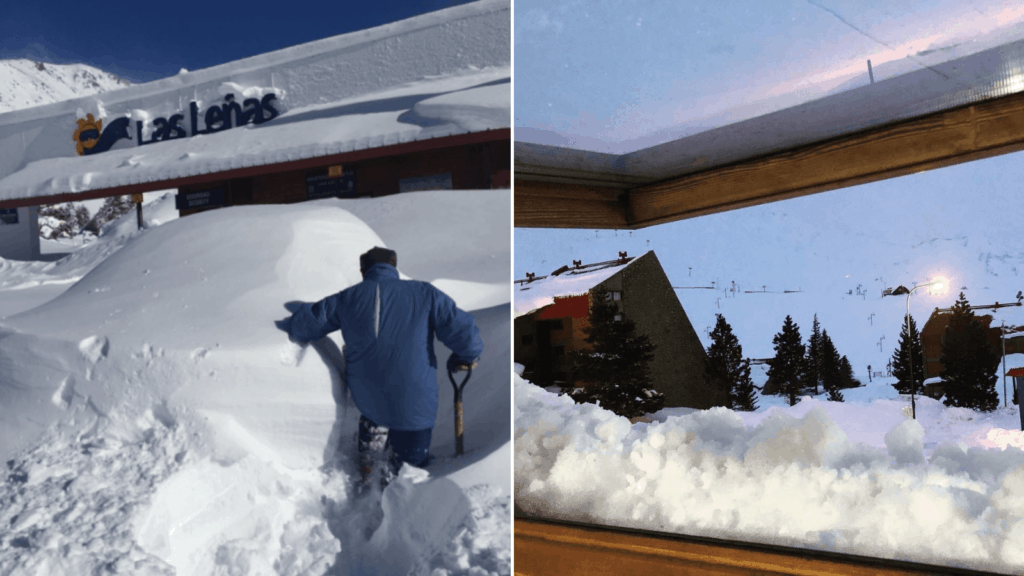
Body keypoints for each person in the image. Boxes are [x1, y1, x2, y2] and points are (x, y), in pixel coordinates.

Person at [281, 247, 483, 493]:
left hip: (369, 401)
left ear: (362, 270)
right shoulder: (425, 294)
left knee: (373, 433)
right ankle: (397, 493)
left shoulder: (347, 298)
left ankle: (368, 479)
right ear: (394, 266)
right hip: (415, 404)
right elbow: (465, 333)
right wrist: (465, 356)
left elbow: (302, 327)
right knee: (409, 474)